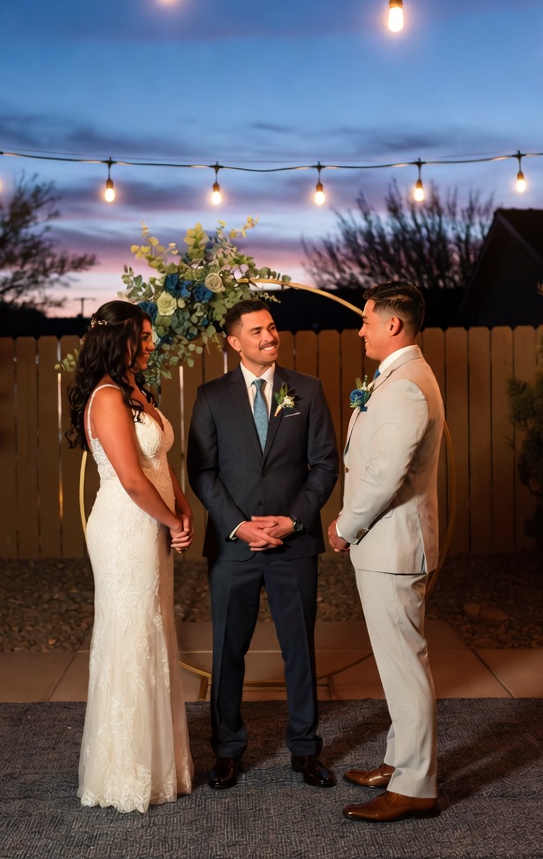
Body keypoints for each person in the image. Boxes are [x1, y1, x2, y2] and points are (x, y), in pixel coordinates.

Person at [187, 298, 340, 790]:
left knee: (300, 651)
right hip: (234, 547)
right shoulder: (210, 396)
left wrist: (292, 521)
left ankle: (305, 750)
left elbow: (325, 466)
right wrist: (238, 525)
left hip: (293, 545)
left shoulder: (308, 391)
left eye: (272, 328)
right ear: (234, 342)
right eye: (256, 332)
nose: (269, 337)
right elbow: (202, 472)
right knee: (229, 652)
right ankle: (228, 751)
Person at [65, 299, 194, 814]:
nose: (151, 344)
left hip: (153, 521)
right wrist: (170, 521)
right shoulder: (105, 398)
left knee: (155, 631)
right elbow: (132, 480)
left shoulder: (137, 391)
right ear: (116, 340)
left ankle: (159, 764)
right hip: (125, 527)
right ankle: (123, 772)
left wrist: (182, 509)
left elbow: (160, 463)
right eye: (142, 337)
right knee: (131, 634)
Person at [327, 280, 445, 823]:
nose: (361, 328)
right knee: (399, 663)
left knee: (405, 666)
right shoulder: (401, 377)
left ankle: (416, 787)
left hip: (391, 544)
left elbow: (384, 474)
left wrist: (345, 526)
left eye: (368, 320)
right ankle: (400, 763)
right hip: (391, 543)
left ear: (393, 325)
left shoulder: (405, 387)